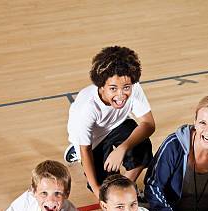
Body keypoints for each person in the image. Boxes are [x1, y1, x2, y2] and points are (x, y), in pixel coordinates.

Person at [65, 45, 155, 199]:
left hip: (117, 124)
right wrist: (97, 191)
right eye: (113, 88)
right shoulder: (86, 108)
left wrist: (121, 149)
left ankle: (126, 190)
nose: (121, 95)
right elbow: (86, 150)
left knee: (143, 148)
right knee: (105, 184)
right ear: (101, 86)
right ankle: (75, 148)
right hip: (91, 142)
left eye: (126, 87)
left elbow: (149, 124)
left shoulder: (133, 86)